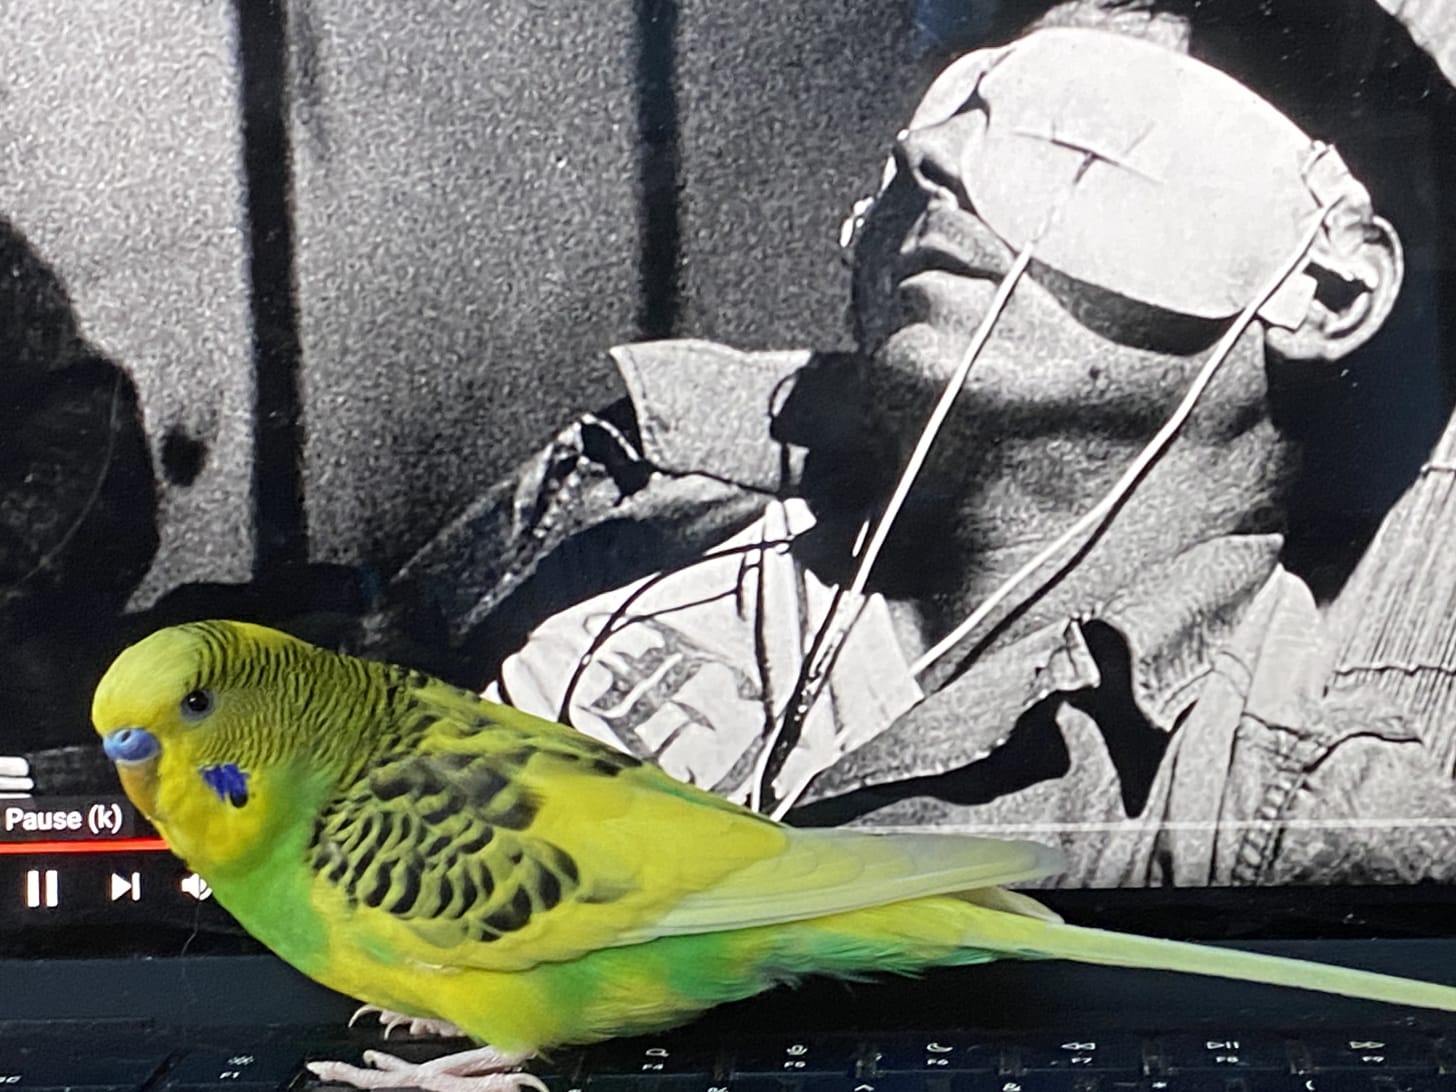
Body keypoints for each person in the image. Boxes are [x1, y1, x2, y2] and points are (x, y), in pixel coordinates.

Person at [381, 0, 1456, 887]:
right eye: (959, 102)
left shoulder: (1289, 825)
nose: (928, 153)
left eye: (1074, 126)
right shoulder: (641, 485)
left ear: (1326, 287)